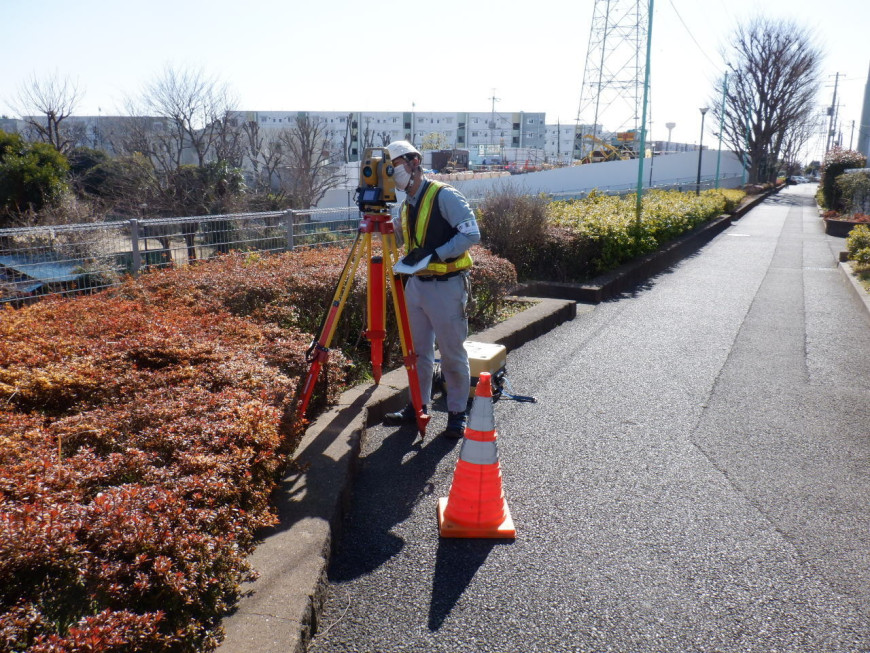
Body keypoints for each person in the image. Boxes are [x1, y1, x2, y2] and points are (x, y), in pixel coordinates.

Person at [382, 140, 481, 438]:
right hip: (416, 286)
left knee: (451, 355)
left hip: (446, 286)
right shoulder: (404, 206)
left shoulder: (443, 195)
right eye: (390, 167)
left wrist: (436, 254)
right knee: (418, 353)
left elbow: (471, 233)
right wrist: (380, 223)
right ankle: (417, 404)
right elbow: (398, 244)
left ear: (414, 162)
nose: (392, 172)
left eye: (396, 165)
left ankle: (456, 413)